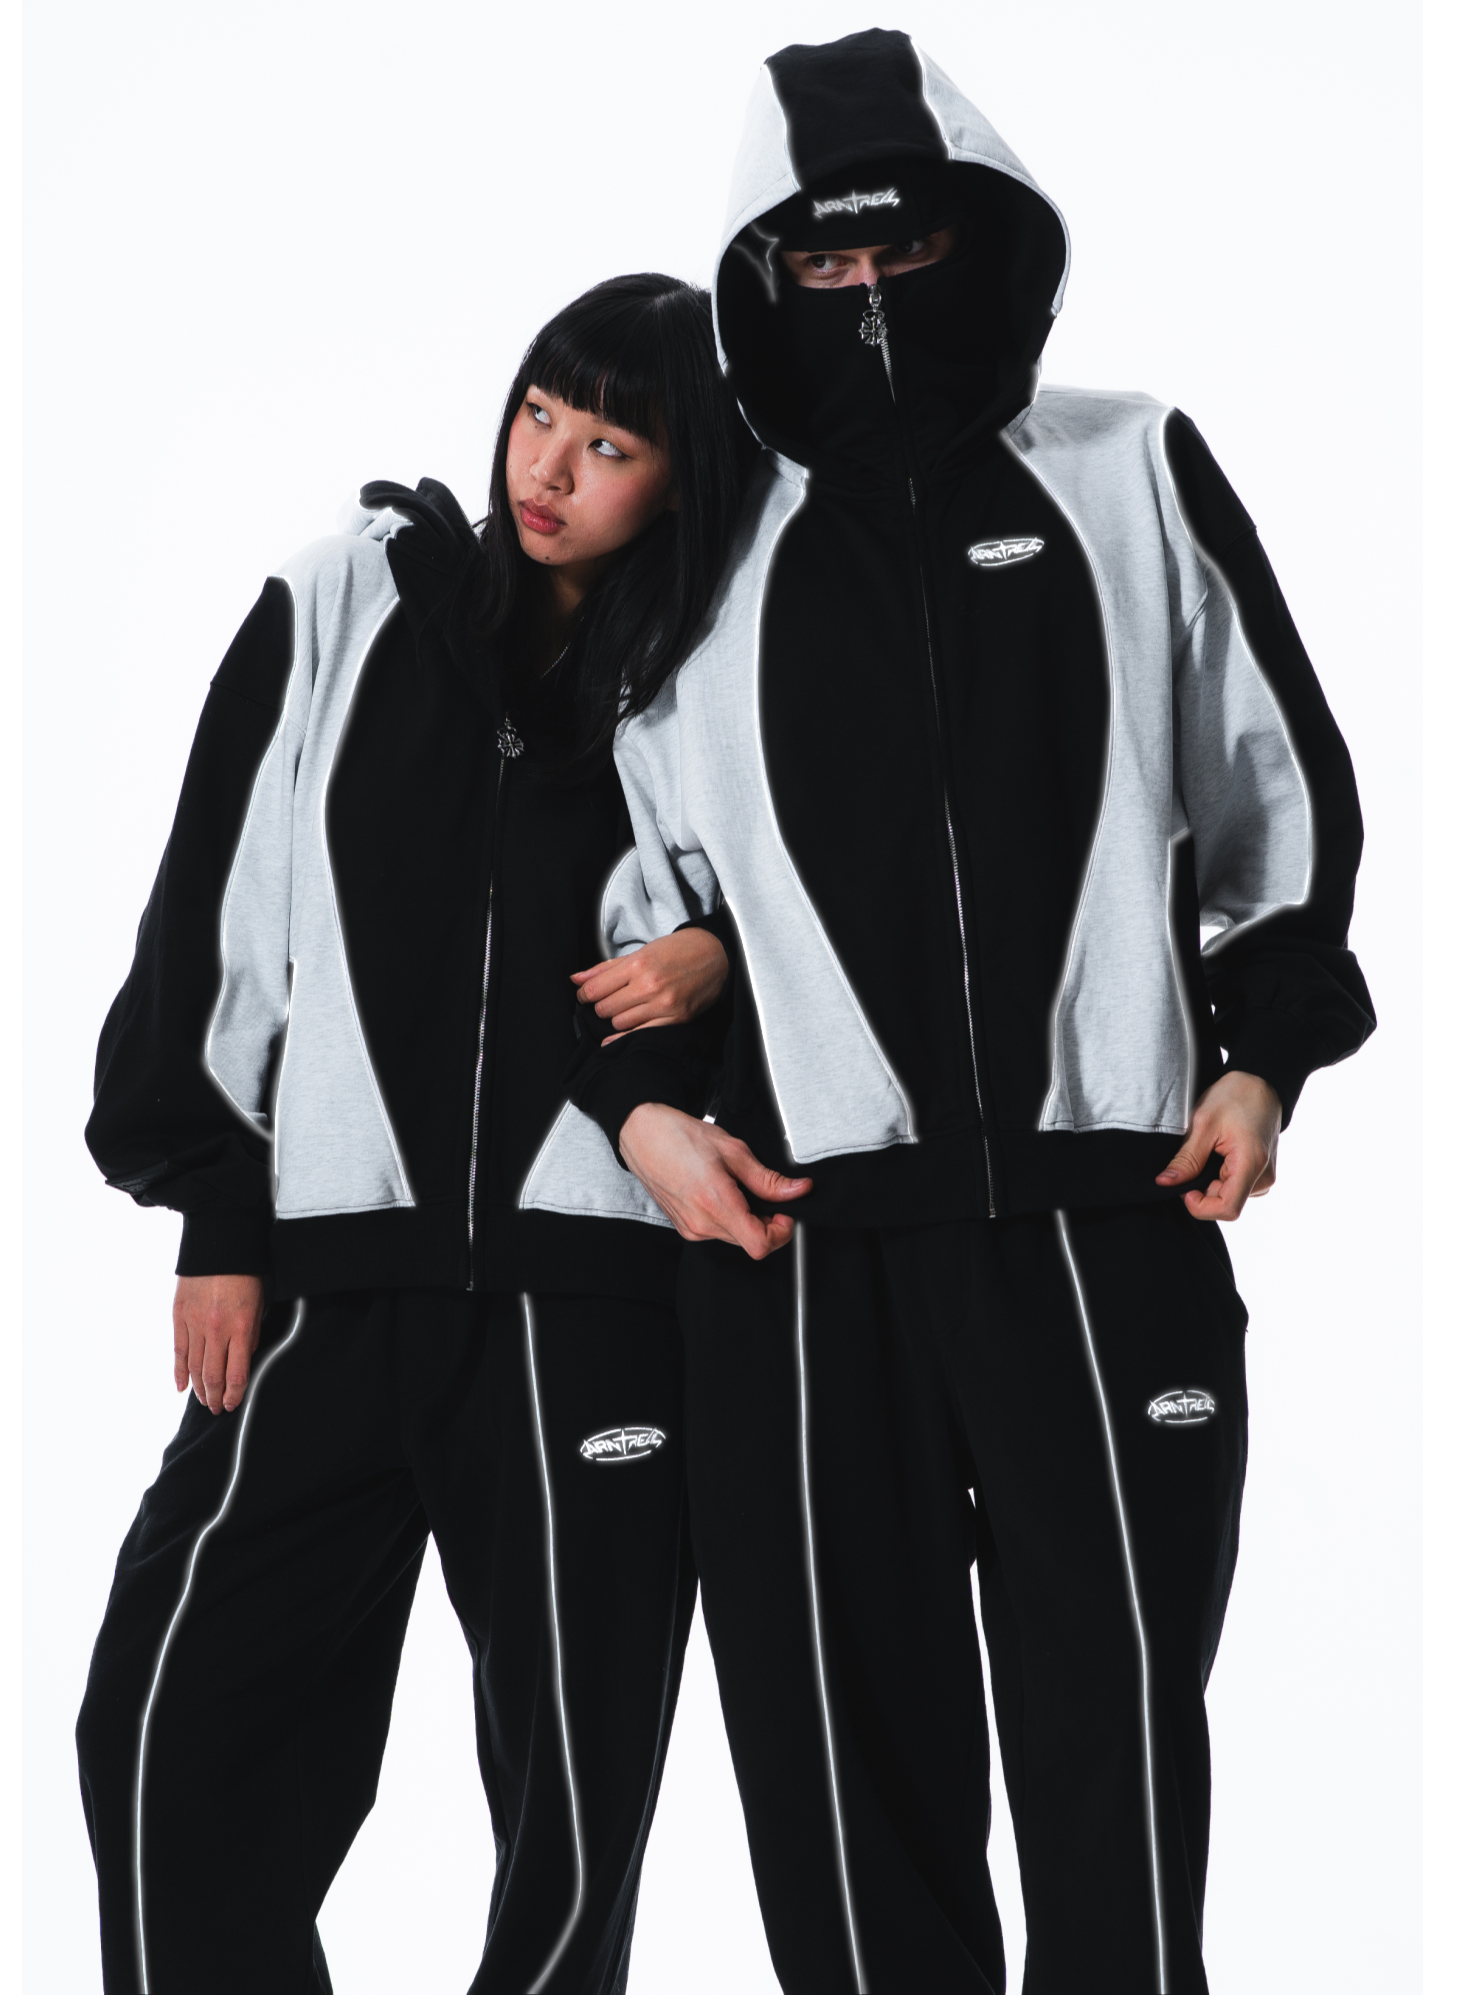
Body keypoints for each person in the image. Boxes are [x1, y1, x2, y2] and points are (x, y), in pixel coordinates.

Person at [557, 31, 1376, 1995]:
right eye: (822, 263)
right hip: (805, 1240)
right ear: (763, 275)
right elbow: (616, 863)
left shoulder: (1129, 468)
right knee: (850, 1787)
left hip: (1111, 1214)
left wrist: (1262, 1060)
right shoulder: (705, 534)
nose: (865, 296)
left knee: (1116, 1748)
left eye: (906, 252)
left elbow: (1278, 789)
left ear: (983, 243)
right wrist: (649, 1105)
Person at [75, 272, 752, 1995]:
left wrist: (719, 955)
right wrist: (218, 1214)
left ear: (684, 478)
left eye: (612, 445)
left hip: (592, 1298)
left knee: (573, 1800)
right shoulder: (342, 599)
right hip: (330, 1277)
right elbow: (219, 915)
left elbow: (835, 911)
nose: (551, 466)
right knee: (165, 1729)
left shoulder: (718, 660)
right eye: (541, 410)